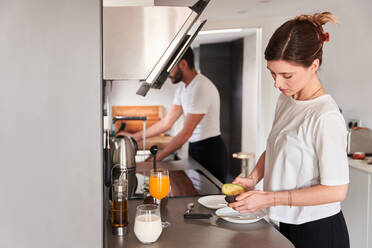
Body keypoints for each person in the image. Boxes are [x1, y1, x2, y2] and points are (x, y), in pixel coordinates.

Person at [229, 12, 350, 248]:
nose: (277, 83)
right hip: (287, 223)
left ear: (313, 65)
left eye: (287, 75)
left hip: (319, 230)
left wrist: (269, 198)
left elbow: (336, 190)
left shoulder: (325, 116)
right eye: (272, 72)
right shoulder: (286, 100)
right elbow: (275, 148)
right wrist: (253, 179)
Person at [119, 48, 228, 183]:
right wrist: (135, 137)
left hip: (210, 150)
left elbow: (185, 134)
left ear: (183, 64)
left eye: (170, 68)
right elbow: (167, 123)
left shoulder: (200, 87)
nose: (168, 74)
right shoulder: (183, 88)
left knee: (211, 195)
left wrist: (155, 159)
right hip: (195, 148)